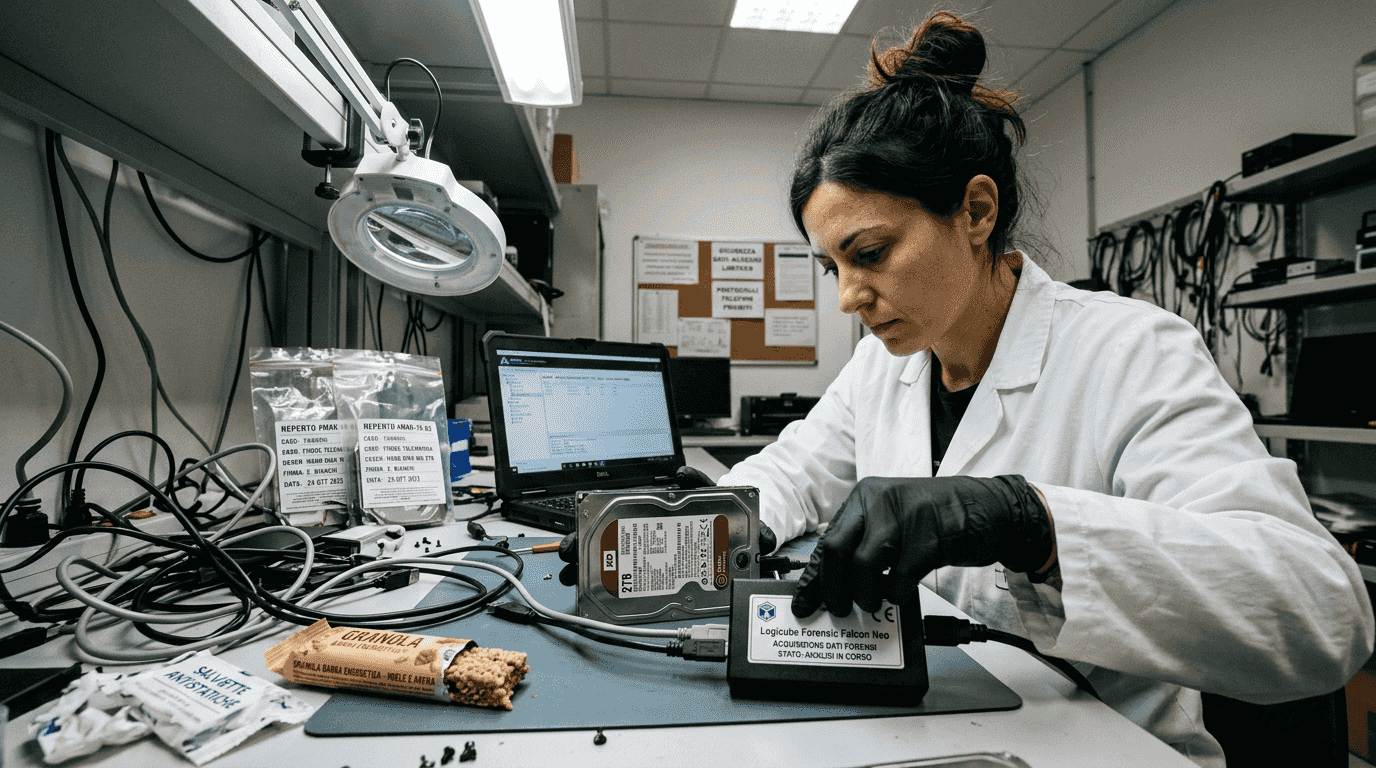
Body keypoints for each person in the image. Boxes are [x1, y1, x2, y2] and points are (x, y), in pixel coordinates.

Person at [717, 10, 1374, 767]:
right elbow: (797, 468)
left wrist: (1030, 524)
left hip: (1105, 748)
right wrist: (702, 526)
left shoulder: (1132, 351)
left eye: (871, 253)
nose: (848, 298)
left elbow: (1321, 613)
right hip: (941, 727)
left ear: (975, 210)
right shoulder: (887, 363)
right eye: (835, 268)